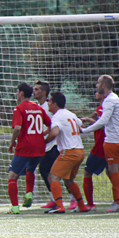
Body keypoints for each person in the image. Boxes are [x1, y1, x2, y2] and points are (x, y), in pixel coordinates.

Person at [81, 75, 119, 212]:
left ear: (103, 85)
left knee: (113, 171)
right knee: (118, 170)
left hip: (113, 140)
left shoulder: (108, 100)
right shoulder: (115, 98)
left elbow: (103, 121)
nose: (96, 86)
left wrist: (85, 130)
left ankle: (117, 202)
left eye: (98, 83)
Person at [43, 92, 91, 214]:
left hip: (69, 152)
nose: (48, 103)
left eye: (50, 101)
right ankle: (81, 205)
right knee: (68, 180)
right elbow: (80, 125)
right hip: (80, 151)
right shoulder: (71, 114)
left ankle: (59, 206)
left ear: (55, 104)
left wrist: (43, 142)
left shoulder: (57, 116)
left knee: (52, 177)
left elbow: (54, 133)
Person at [6, 83, 50, 214]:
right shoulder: (38, 107)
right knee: (30, 169)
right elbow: (50, 124)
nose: (16, 94)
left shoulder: (19, 108)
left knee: (12, 176)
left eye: (17, 91)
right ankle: (29, 194)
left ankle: (14, 207)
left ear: (21, 93)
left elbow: (17, 128)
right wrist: (40, 135)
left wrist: (12, 142)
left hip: (25, 146)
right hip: (39, 147)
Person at [34, 81, 76, 210]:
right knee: (44, 170)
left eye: (37, 89)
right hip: (46, 146)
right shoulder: (37, 107)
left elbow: (55, 124)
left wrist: (46, 135)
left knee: (63, 174)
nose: (34, 91)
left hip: (55, 145)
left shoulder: (50, 107)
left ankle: (73, 199)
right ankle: (54, 199)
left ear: (44, 92)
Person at [79, 89, 109, 211]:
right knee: (112, 172)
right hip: (110, 145)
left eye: (97, 92)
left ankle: (90, 204)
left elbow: (101, 125)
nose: (95, 94)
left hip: (100, 148)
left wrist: (87, 121)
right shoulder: (104, 108)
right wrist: (92, 119)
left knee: (87, 173)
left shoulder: (102, 108)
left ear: (102, 94)